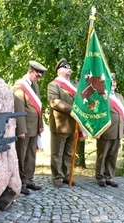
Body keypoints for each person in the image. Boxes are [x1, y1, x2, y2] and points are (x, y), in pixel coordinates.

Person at [12, 60, 47, 195]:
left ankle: (29, 179)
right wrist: (20, 129)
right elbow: (19, 109)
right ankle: (19, 182)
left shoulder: (35, 86)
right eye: (37, 75)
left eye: (40, 76)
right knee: (21, 154)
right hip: (25, 127)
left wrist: (41, 125)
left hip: (34, 127)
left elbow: (38, 108)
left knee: (31, 154)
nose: (38, 79)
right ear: (30, 71)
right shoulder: (19, 87)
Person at [47, 58, 78, 187]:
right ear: (59, 71)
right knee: (57, 152)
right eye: (65, 67)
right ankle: (57, 177)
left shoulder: (75, 85)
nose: (68, 69)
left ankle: (66, 175)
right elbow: (54, 101)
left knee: (69, 152)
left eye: (69, 67)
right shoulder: (53, 85)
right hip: (60, 124)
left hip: (73, 124)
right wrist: (73, 110)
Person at [95, 73, 124, 187]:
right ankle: (100, 177)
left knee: (112, 156)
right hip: (105, 131)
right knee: (102, 155)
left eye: (114, 82)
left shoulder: (120, 97)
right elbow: (97, 114)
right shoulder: (102, 96)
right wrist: (97, 130)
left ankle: (109, 177)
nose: (113, 83)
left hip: (118, 131)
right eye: (110, 82)